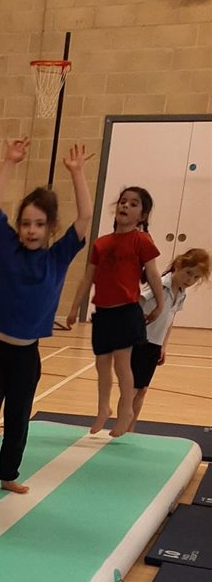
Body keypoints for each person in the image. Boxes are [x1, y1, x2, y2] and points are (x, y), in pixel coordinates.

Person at [0, 137, 92, 495]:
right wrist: (9, 162)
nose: (31, 230)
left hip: (26, 356)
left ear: (50, 228)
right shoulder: (7, 247)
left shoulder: (57, 258)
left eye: (39, 224)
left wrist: (77, 174)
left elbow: (85, 217)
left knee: (18, 418)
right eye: (26, 223)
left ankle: (8, 474)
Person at [65, 186, 164, 437]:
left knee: (122, 364)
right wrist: (74, 307)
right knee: (101, 364)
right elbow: (88, 278)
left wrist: (161, 304)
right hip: (103, 313)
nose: (125, 206)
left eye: (133, 204)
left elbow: (153, 273)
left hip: (126, 312)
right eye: (123, 201)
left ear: (142, 216)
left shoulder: (141, 241)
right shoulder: (101, 243)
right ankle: (103, 409)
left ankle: (126, 411)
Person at [129, 248, 210, 429]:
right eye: (188, 273)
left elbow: (170, 319)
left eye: (196, 278)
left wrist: (163, 346)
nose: (190, 280)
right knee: (132, 390)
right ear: (179, 265)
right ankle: (121, 427)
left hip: (154, 344)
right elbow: (137, 303)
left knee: (142, 390)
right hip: (140, 342)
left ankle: (130, 429)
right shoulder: (160, 285)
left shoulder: (181, 293)